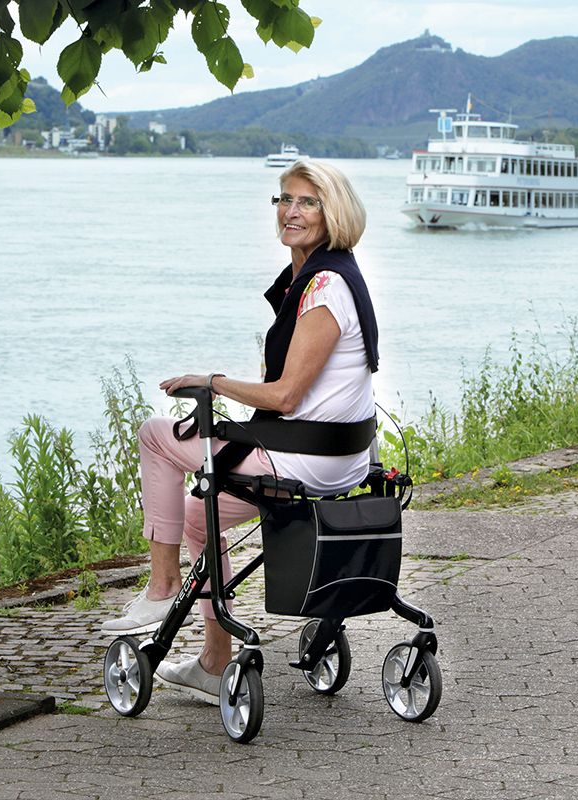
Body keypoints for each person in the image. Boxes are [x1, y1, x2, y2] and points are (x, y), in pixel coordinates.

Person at [101, 160, 379, 705]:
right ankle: (213, 662)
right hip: (340, 458)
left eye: (307, 201)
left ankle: (162, 586)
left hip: (304, 459)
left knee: (155, 434)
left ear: (334, 213)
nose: (291, 211)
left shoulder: (324, 288)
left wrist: (213, 382)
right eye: (284, 199)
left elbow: (286, 397)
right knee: (194, 516)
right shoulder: (330, 276)